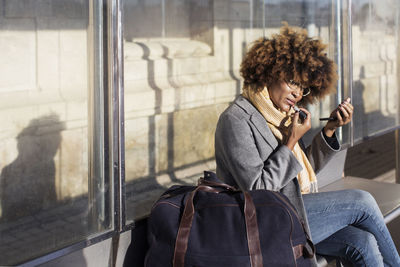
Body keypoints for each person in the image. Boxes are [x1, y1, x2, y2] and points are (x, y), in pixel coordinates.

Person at [214, 24, 400, 267]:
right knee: (362, 202)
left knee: (361, 241)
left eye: (303, 87)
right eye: (292, 82)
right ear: (269, 71)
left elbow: (296, 172)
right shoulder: (236, 119)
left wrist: (330, 129)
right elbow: (258, 190)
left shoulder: (279, 116)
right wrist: (291, 141)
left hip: (293, 211)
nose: (297, 94)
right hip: (263, 222)